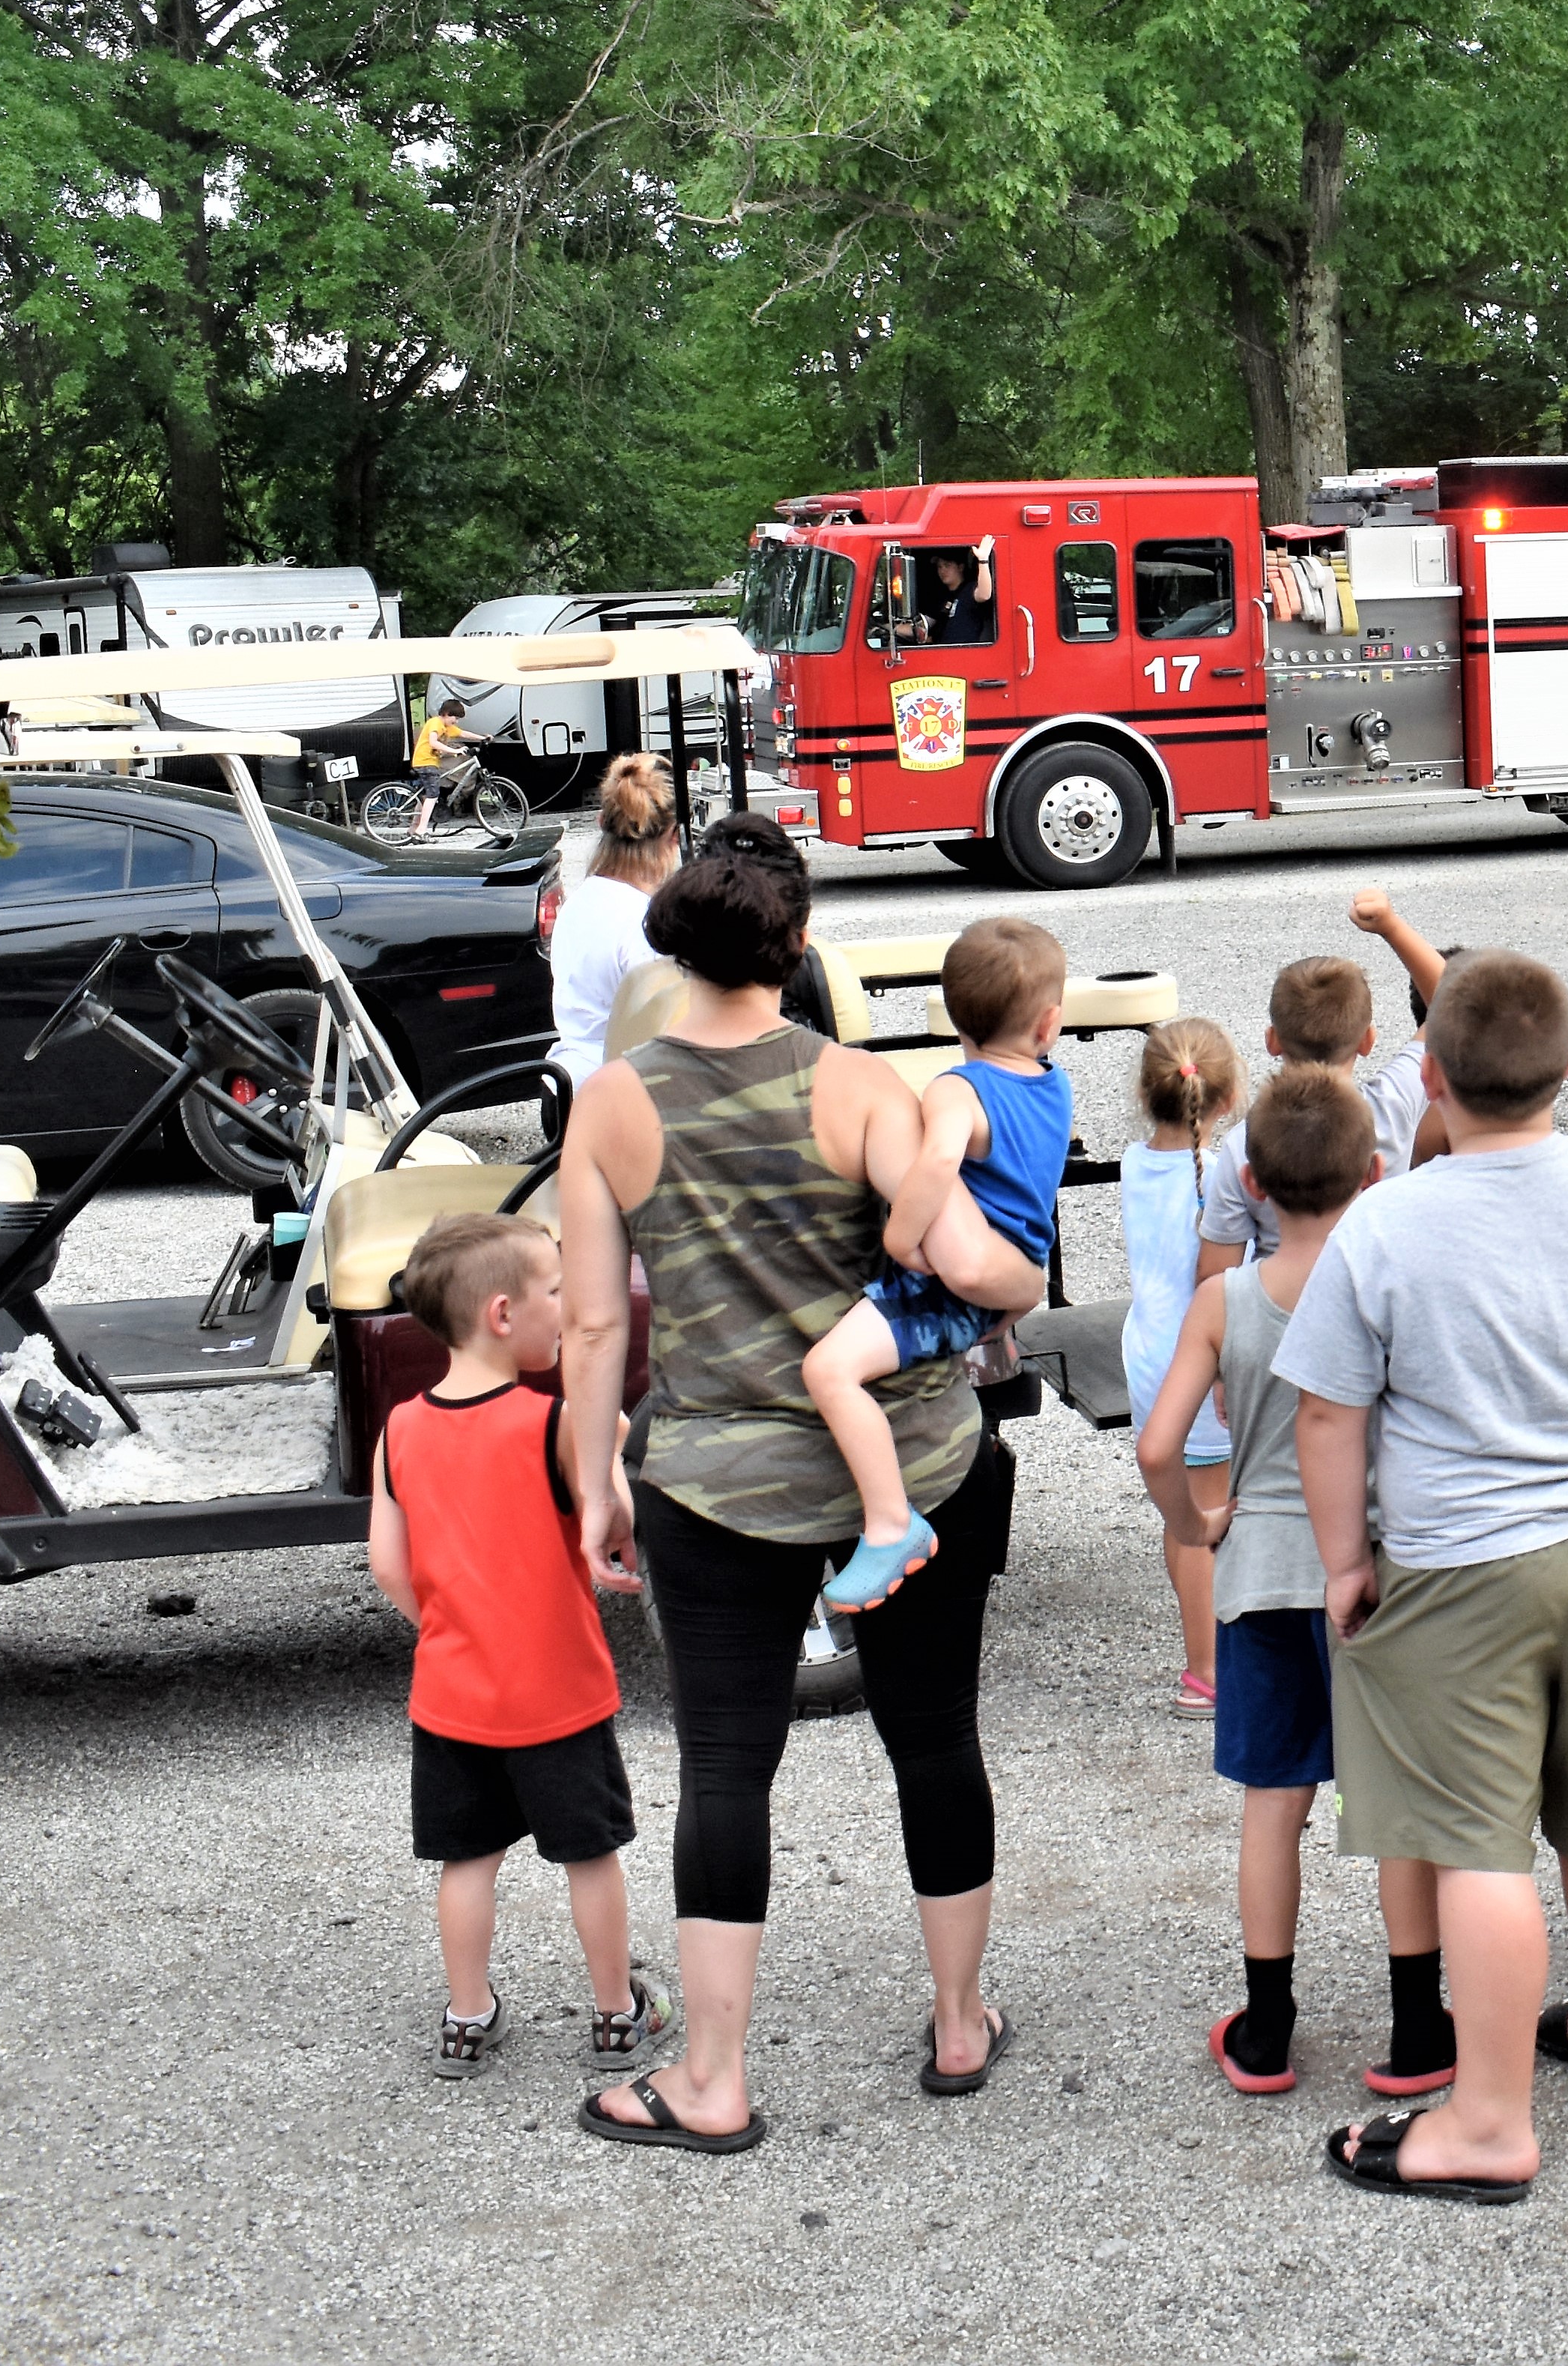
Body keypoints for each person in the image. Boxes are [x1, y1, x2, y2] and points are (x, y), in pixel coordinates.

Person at [557, 812, 1044, 2151]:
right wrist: (1021, 1271)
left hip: (718, 1484)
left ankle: (711, 2079)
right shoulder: (863, 1089)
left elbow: (596, 1327)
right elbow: (967, 1262)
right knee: (935, 1738)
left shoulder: (613, 1103)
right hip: (918, 1462)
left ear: (674, 948)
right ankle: (958, 2021)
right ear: (799, 942)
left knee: (726, 1768)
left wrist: (595, 1475)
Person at [1278, 950, 1568, 2204]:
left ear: (1426, 1078)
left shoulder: (1387, 1222)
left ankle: (1487, 2120)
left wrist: (1343, 1565)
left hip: (1456, 1560)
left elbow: (1328, 1417)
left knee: (1478, 1839)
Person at [369, 1213, 673, 2080]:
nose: (568, 1304)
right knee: (589, 1853)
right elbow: (612, 1516)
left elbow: (389, 1562)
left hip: (454, 1689)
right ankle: (616, 2012)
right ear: (503, 1313)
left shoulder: (401, 1429)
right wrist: (605, 1430)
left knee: (466, 1859)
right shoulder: (553, 1425)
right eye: (555, 1290)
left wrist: (446, 1625)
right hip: (558, 1690)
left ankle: (467, 2014)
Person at [1137, 1065, 1392, 2096]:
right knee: (1396, 1805)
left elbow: (1162, 1445)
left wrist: (1195, 1524)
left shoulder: (1224, 1299)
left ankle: (1270, 2025)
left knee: (1272, 1804)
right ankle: (1419, 2020)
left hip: (1262, 1570)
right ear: (1375, 1174)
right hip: (1371, 1570)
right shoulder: (1384, 1282)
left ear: (1250, 1179)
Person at [796, 917, 1070, 1615]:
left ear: (952, 1015)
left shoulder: (960, 1089)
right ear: (1050, 1025)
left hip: (944, 1291)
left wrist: (903, 1239)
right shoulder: (1054, 1085)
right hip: (1015, 1271)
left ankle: (891, 1524)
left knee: (828, 1370)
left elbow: (942, 1157)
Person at [1196, 889, 1447, 1289]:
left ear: (1272, 1040)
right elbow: (1450, 1001)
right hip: (1377, 1307)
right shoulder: (1391, 1105)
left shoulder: (1244, 1143)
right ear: (1368, 1041)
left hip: (1278, 1319)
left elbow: (1214, 1276)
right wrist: (1390, 927)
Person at [1125, 1018, 1245, 1715]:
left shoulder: (1136, 1161)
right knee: (1207, 1520)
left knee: (1181, 1517)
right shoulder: (1224, 1175)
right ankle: (1206, 1672)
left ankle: (1200, 1651)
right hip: (1196, 1366)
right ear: (1226, 1099)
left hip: (1148, 1354)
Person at [547, 757, 682, 1083]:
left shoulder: (580, 902)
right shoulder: (644, 924)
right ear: (674, 836)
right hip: (616, 1088)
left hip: (567, 1078)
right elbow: (662, 1032)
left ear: (601, 821)